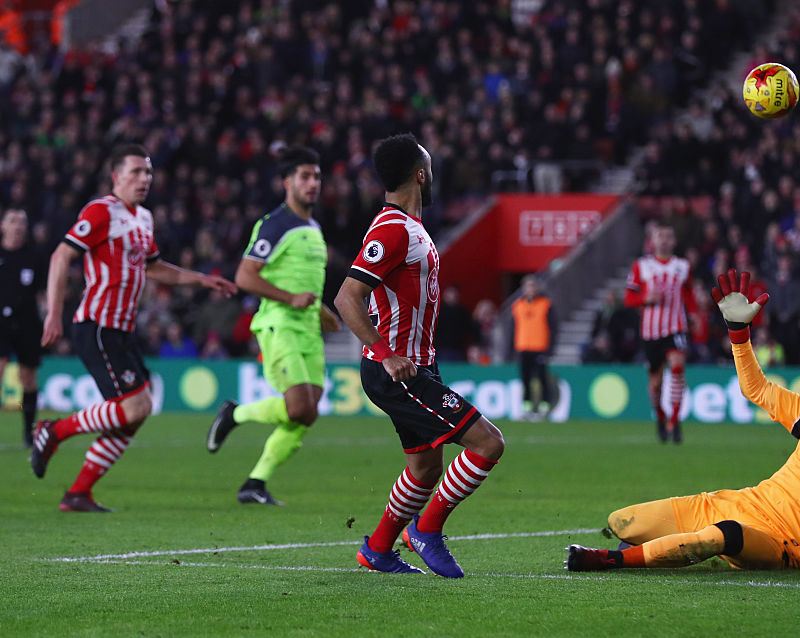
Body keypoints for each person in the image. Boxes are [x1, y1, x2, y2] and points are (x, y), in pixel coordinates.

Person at [566, 269, 800, 572]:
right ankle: (659, 549)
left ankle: (609, 561)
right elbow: (757, 389)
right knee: (623, 520)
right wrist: (738, 332)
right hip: (743, 503)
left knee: (722, 535)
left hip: (784, 541)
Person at [31, 144, 237, 512]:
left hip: (122, 330)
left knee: (136, 413)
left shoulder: (143, 218)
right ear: (116, 177)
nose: (145, 179)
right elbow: (61, 255)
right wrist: (53, 312)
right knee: (132, 408)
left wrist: (202, 280)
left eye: (148, 172)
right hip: (97, 324)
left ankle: (78, 493)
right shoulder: (100, 211)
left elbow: (156, 268)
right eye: (136, 172)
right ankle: (53, 432)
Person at [335, 133, 505, 577]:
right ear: (421, 174)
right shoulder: (392, 229)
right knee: (488, 443)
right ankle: (425, 530)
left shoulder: (410, 229)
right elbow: (347, 298)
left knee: (426, 466)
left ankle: (376, 549)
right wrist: (385, 353)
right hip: (396, 370)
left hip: (417, 365)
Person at [205, 147, 339, 506]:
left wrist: (322, 310)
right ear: (287, 182)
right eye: (305, 177)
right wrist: (287, 298)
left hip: (308, 328)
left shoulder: (313, 227)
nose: (313, 184)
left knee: (307, 414)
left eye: (317, 176)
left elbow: (302, 284)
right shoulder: (275, 224)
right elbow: (245, 276)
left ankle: (255, 483)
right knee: (298, 408)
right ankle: (234, 414)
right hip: (280, 324)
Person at [623, 220, 694, 443]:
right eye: (660, 236)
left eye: (668, 236)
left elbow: (689, 296)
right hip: (651, 332)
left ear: (674, 241)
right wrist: (645, 298)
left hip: (676, 327)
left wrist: (695, 313)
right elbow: (628, 298)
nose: (664, 240)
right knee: (655, 382)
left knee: (677, 368)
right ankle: (661, 416)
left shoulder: (683, 266)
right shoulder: (641, 266)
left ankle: (675, 419)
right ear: (652, 241)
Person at [0, 208, 45, 447]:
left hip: (27, 322)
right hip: (0, 322)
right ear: (2, 226)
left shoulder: (35, 256)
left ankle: (28, 432)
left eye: (22, 222)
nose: (18, 226)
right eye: (13, 221)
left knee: (28, 377)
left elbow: (43, 292)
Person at [510, 275, 558, 420]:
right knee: (525, 379)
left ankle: (544, 407)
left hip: (540, 347)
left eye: (532, 286)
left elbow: (554, 327)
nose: (530, 289)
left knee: (542, 378)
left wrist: (550, 349)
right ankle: (527, 407)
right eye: (527, 287)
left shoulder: (545, 304)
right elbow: (513, 329)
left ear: (536, 288)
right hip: (523, 347)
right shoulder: (517, 305)